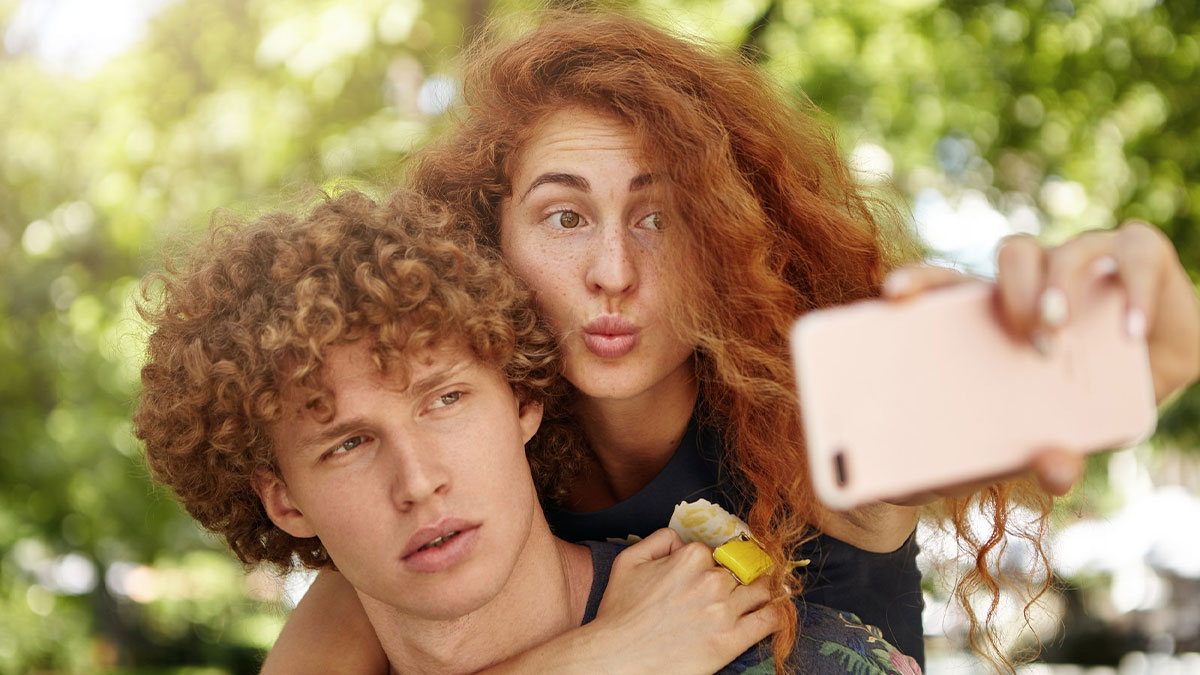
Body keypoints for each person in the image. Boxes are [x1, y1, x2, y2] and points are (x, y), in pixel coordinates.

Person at [264, 10, 1200, 674]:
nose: (613, 271)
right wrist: (610, 656)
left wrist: (1102, 340)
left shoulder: (811, 419)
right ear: (486, 241)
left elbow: (969, 402)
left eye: (660, 218)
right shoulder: (447, 481)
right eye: (563, 216)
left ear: (722, 239)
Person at [133, 189, 924, 674]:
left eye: (445, 399)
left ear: (523, 399)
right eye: (348, 443)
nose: (419, 481)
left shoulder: (779, 653)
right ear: (285, 501)